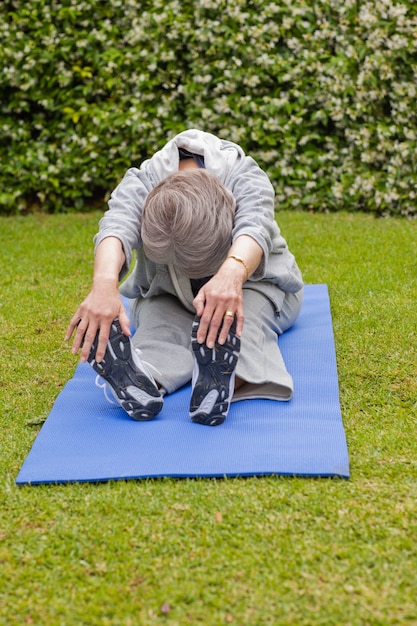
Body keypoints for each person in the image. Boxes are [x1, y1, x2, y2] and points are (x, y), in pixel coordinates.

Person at [65, 129, 304, 426]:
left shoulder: (243, 176)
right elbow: (116, 225)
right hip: (169, 292)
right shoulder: (143, 181)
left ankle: (226, 377)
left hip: (252, 285)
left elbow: (255, 226)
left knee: (245, 324)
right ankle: (142, 375)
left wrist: (231, 273)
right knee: (157, 325)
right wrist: (103, 285)